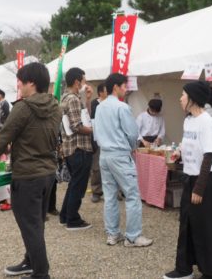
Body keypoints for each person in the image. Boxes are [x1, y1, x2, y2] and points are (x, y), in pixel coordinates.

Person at [0, 62, 62, 278]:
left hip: (28, 176)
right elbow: (40, 136)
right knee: (36, 224)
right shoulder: (56, 106)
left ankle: (41, 273)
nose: (18, 83)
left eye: (20, 79)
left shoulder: (23, 107)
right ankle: (30, 262)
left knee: (30, 227)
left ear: (32, 82)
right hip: (47, 174)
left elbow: (1, 140)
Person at [163, 81, 212, 279]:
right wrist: (177, 154)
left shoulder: (207, 122)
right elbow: (189, 145)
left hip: (205, 181)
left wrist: (199, 188)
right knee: (187, 225)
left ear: (193, 99)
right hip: (190, 178)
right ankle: (184, 268)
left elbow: (208, 156)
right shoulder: (188, 120)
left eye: (183, 95)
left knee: (208, 227)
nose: (180, 98)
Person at [93, 73, 153, 247]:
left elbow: (97, 133)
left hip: (104, 154)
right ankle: (133, 236)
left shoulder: (100, 107)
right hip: (119, 154)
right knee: (132, 195)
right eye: (124, 86)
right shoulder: (122, 107)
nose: (126, 90)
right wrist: (130, 147)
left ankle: (113, 234)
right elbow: (132, 133)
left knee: (110, 195)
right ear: (115, 88)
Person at [59, 67, 94, 230]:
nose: (85, 84)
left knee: (74, 183)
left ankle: (65, 215)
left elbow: (83, 117)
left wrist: (87, 99)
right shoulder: (72, 99)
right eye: (83, 80)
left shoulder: (67, 97)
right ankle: (73, 219)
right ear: (76, 82)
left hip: (71, 148)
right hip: (78, 147)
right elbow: (77, 126)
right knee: (78, 185)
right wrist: (95, 129)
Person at [89, 83, 107, 203]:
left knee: (111, 166)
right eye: (106, 90)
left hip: (110, 139)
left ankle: (112, 191)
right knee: (96, 167)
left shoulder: (112, 104)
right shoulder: (94, 104)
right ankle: (96, 191)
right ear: (100, 92)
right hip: (97, 138)